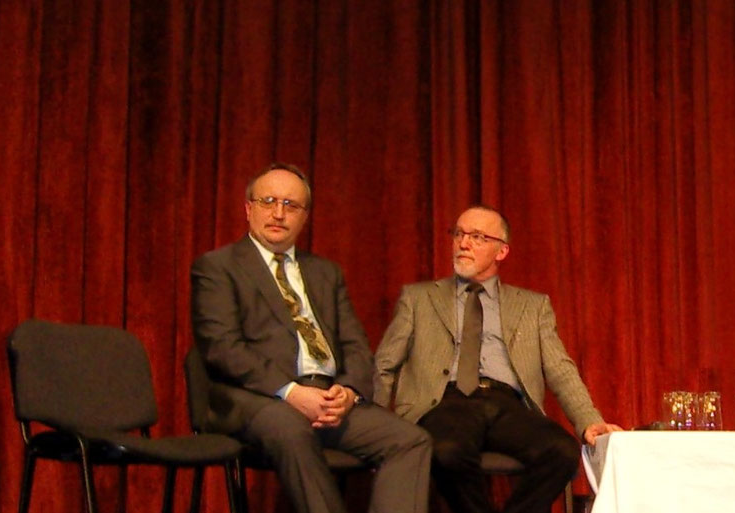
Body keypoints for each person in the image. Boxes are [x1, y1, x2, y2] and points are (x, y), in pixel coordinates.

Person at [190, 164, 431, 513]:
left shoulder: (325, 272)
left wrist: (348, 392)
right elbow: (222, 348)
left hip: (328, 398)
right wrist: (291, 393)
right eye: (269, 201)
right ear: (248, 208)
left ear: (305, 217)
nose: (278, 213)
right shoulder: (217, 267)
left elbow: (355, 346)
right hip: (257, 399)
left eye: (291, 205)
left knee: (410, 441)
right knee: (290, 427)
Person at [374, 205, 624, 513]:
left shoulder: (532, 306)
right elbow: (385, 364)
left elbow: (560, 369)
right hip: (444, 401)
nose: (464, 243)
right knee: (446, 451)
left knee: (561, 452)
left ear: (501, 251)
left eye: (477, 237)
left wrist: (589, 421)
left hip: (507, 404)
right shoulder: (418, 298)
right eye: (459, 234)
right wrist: (377, 425)